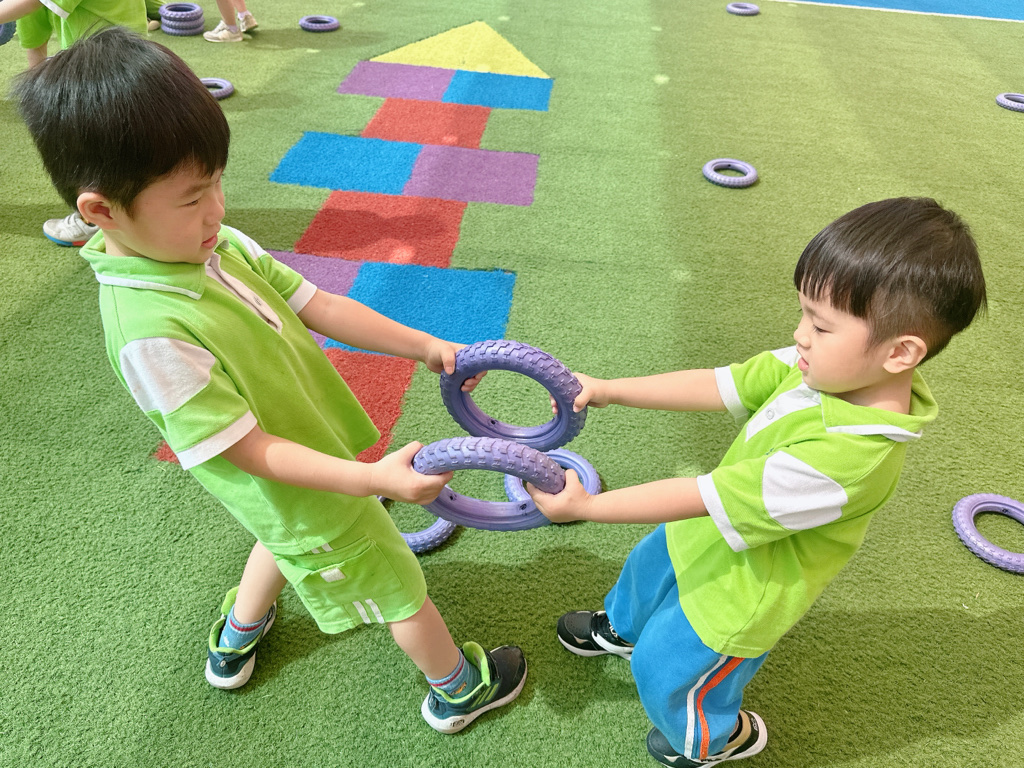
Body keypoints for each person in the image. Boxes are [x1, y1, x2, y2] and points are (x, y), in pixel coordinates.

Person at [13, 26, 526, 734]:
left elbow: (322, 305)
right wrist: (371, 482)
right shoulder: (149, 331)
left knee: (283, 538)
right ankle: (457, 689)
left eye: (216, 182)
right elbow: (247, 451)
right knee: (398, 585)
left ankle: (237, 636)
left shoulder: (213, 247)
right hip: (292, 474)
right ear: (101, 211)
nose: (217, 209)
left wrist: (427, 346)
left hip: (298, 469)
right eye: (192, 197)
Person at [527, 197, 987, 766]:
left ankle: (709, 740)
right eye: (803, 314)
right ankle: (623, 629)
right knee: (646, 572)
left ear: (901, 352)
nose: (800, 335)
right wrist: (609, 389)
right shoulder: (819, 369)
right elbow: (721, 384)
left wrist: (587, 508)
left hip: (740, 594)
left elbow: (705, 495)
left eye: (820, 325)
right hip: (704, 532)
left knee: (667, 669)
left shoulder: (851, 457)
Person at [0, 0, 146, 243]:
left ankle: (100, 220)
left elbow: (30, 3)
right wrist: (39, 94)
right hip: (91, 65)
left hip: (117, 62)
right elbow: (34, 28)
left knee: (107, 147)